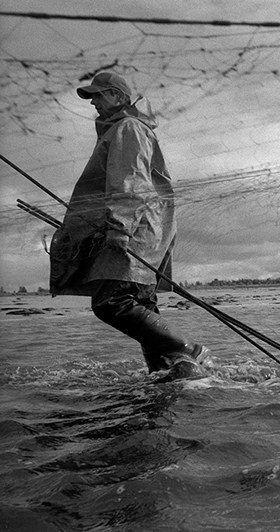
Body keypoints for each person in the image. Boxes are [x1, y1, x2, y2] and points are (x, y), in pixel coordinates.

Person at [49, 71, 210, 381]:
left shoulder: (127, 128)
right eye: (91, 96)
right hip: (148, 230)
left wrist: (120, 226)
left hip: (135, 230)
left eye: (99, 94)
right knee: (141, 303)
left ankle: (186, 349)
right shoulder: (127, 128)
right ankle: (168, 368)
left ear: (119, 97)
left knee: (112, 302)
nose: (93, 101)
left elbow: (130, 179)